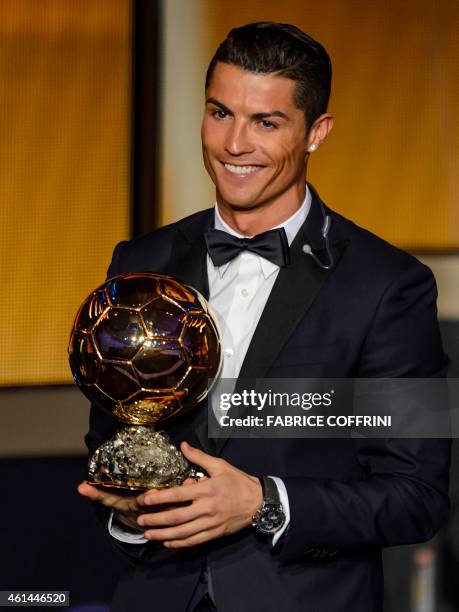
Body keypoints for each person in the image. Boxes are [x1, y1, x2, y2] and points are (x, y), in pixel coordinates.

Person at [78, 22, 451, 612]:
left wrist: (262, 501)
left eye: (266, 122)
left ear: (316, 133)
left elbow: (417, 497)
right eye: (220, 113)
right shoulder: (140, 260)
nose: (233, 144)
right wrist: (127, 513)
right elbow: (112, 444)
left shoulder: (388, 285)